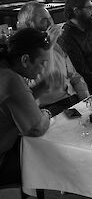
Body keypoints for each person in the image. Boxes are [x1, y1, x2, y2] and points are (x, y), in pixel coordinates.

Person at [17, 1, 90, 116]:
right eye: (44, 20)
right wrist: (49, 46)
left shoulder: (55, 45)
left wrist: (86, 102)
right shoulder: (22, 54)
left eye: (50, 18)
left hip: (71, 100)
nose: (50, 23)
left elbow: (74, 76)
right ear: (29, 25)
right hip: (48, 109)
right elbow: (36, 85)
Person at [0, 28, 51, 187]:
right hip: (3, 160)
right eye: (42, 63)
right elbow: (35, 129)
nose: (43, 69)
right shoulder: (12, 80)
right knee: (51, 157)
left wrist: (40, 88)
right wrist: (46, 114)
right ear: (25, 60)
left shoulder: (3, 68)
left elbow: (11, 103)